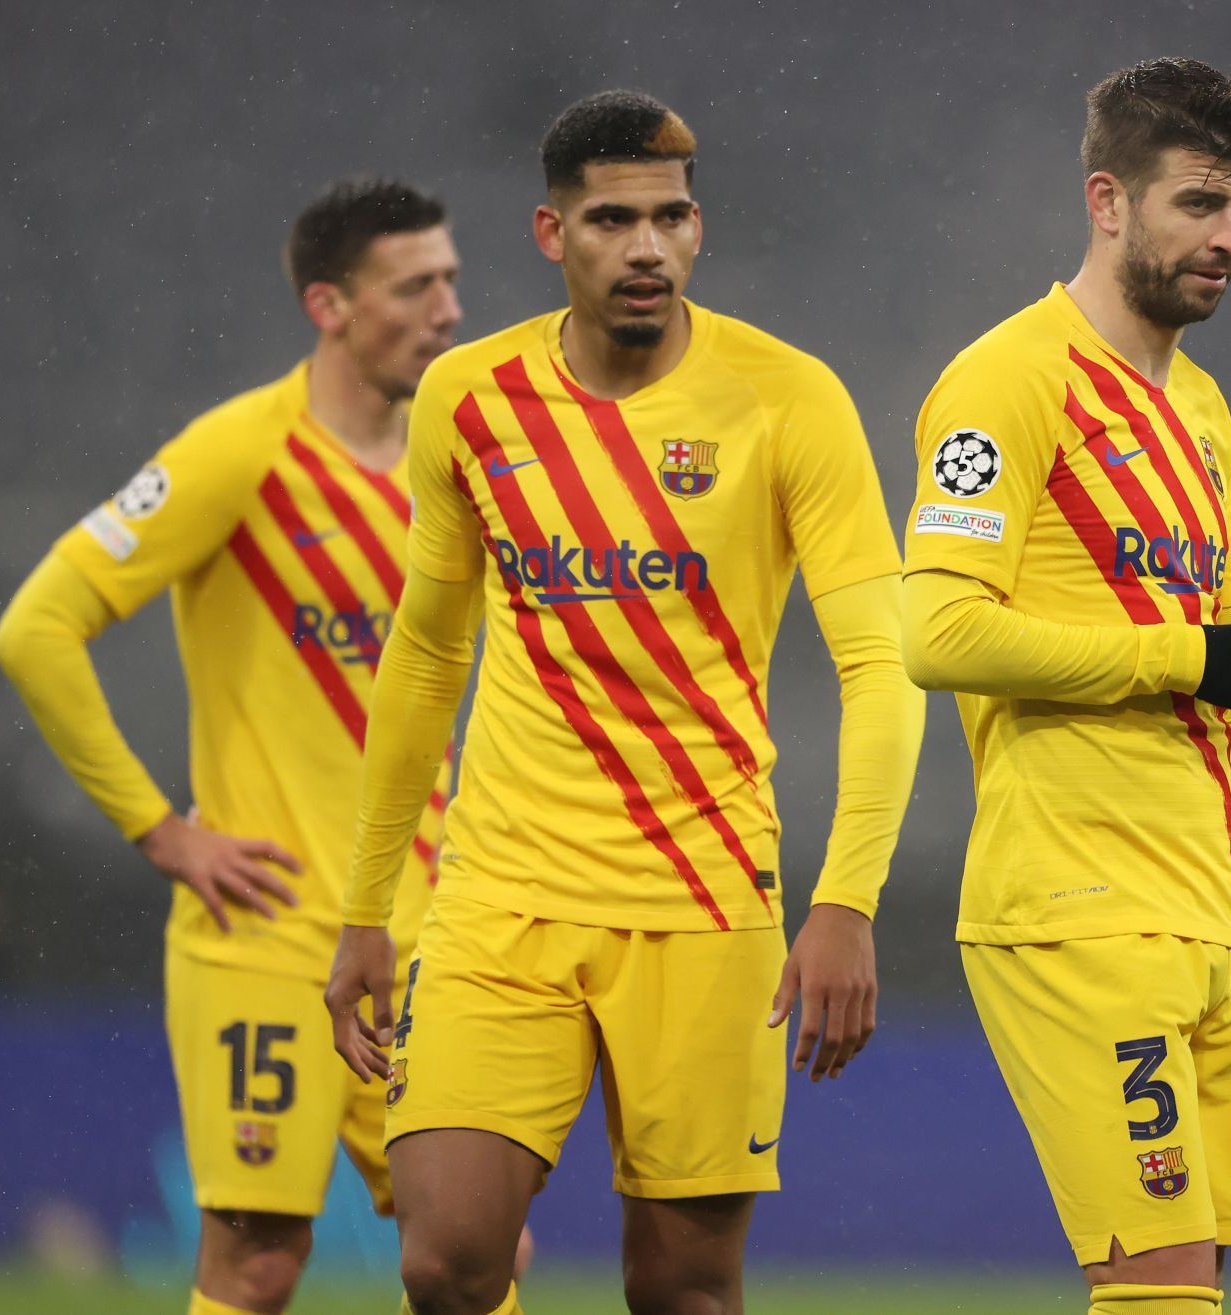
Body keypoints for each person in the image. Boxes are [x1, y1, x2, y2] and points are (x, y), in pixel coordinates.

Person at [322, 90, 923, 1315]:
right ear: (553, 235)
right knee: (445, 1259)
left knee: (686, 1291)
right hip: (502, 894)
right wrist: (368, 904)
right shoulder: (469, 399)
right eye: (612, 220)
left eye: (672, 217)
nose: (647, 247)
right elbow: (427, 656)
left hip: (703, 899)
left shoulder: (789, 399)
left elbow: (882, 661)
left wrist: (847, 898)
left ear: (698, 229)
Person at [900, 58, 1231, 1315]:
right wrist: (1183, 657)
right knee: (1160, 1288)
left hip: (1207, 914)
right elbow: (938, 631)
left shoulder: (1206, 412)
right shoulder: (1005, 381)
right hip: (1073, 905)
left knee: (1193, 1287)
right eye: (1197, 203)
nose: (1227, 238)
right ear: (1108, 201)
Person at [0, 179, 465, 1315]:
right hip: (267, 933)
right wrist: (161, 829)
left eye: (451, 279)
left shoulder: (461, 464)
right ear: (330, 305)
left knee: (470, 1253)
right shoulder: (238, 452)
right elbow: (35, 628)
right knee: (257, 1260)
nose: (448, 308)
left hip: (431, 933)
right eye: (415, 285)